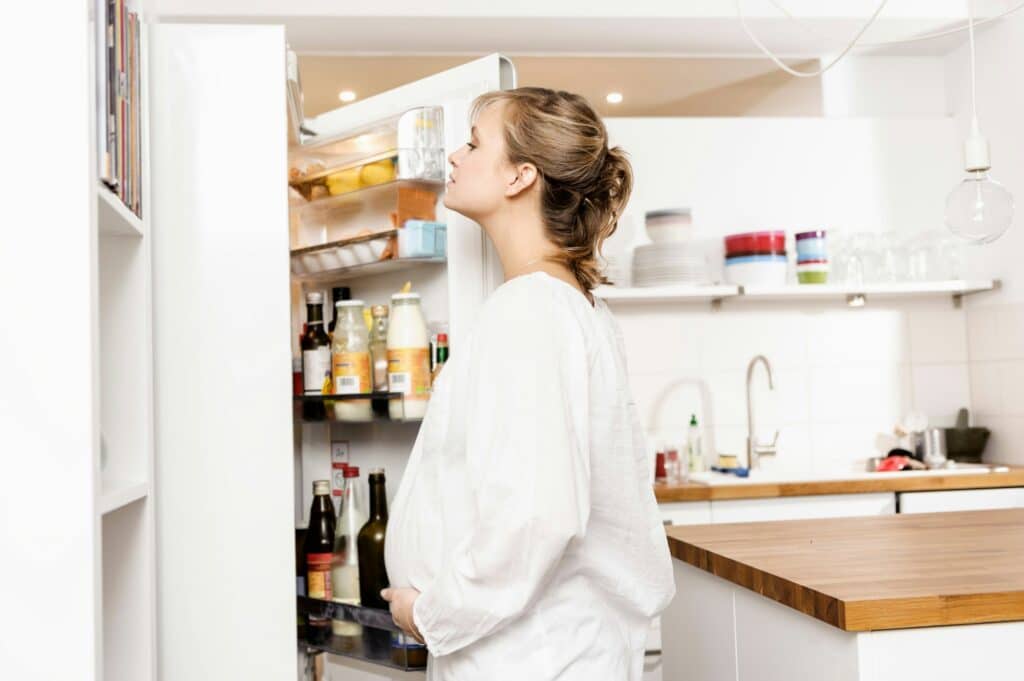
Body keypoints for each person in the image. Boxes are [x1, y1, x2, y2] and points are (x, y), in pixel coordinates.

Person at [382, 87, 675, 680]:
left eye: (473, 142)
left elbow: (537, 515)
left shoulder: (531, 310)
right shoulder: (570, 306)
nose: (455, 157)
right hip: (552, 651)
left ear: (521, 175)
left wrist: (431, 613)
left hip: (530, 658)